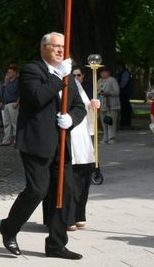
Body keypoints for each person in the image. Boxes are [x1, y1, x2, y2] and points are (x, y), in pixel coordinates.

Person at [0, 32, 87, 260]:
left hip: (60, 143)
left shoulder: (66, 76)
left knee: (64, 193)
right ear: (43, 48)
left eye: (63, 47)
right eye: (56, 46)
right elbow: (38, 96)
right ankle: (9, 227)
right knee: (38, 190)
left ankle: (56, 245)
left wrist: (72, 120)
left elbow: (79, 106)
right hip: (36, 142)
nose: (61, 51)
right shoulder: (32, 70)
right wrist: (59, 75)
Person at [66, 71, 100, 230]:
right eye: (75, 74)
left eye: (79, 74)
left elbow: (85, 107)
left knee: (83, 176)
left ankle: (80, 214)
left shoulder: (76, 84)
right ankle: (69, 217)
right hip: (68, 133)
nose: (77, 77)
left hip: (81, 135)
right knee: (69, 179)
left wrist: (93, 106)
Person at [98, 66, 120, 143]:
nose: (103, 73)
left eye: (105, 71)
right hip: (102, 104)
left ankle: (112, 138)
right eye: (101, 72)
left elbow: (117, 92)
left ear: (109, 72)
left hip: (112, 105)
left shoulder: (112, 80)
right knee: (104, 121)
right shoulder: (99, 80)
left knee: (111, 121)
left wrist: (108, 93)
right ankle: (105, 137)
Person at [0, 65, 20, 146]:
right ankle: (7, 140)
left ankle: (16, 141)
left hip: (13, 104)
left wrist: (17, 103)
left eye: (10, 72)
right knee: (6, 123)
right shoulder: (7, 82)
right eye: (8, 72)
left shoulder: (18, 82)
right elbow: (2, 92)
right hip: (6, 104)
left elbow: (21, 93)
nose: (8, 73)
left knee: (15, 123)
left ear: (15, 73)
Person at [114, 61, 132, 128]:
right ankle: (123, 122)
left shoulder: (125, 73)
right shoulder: (119, 73)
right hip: (121, 92)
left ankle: (126, 122)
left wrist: (117, 88)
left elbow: (123, 84)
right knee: (123, 108)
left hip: (124, 93)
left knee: (125, 107)